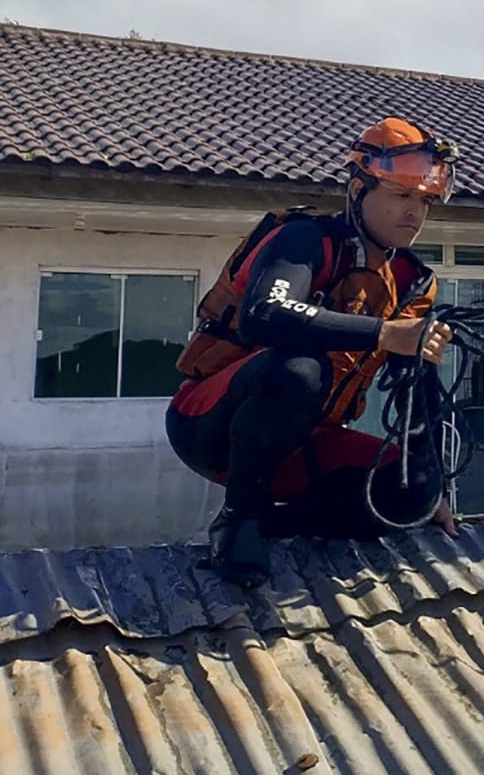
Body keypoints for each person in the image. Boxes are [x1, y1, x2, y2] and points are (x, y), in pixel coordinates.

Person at [167, 116, 461, 586]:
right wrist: (384, 333)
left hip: (310, 439)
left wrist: (431, 490)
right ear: (359, 189)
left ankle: (275, 525)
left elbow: (416, 389)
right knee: (302, 370)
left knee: (413, 493)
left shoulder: (414, 280)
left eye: (424, 201)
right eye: (401, 196)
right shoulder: (306, 239)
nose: (415, 213)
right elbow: (263, 312)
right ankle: (238, 519)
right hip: (212, 422)